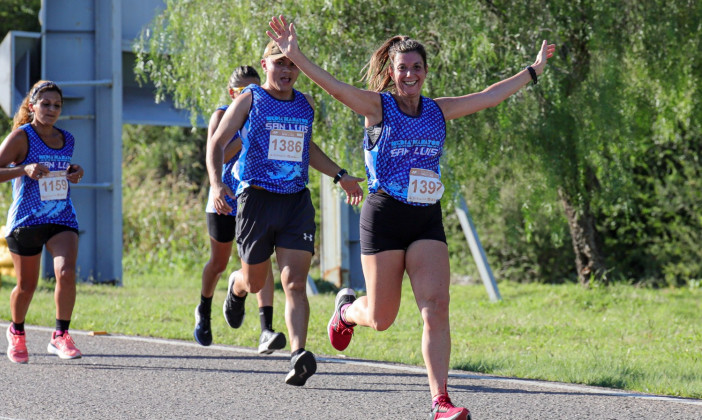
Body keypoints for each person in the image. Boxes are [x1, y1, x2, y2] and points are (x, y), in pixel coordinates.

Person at [266, 15, 555, 419]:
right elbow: (335, 87)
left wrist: (533, 71)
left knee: (436, 307)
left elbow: (489, 96)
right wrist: (297, 56)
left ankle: (440, 401)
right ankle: (346, 310)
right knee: (382, 318)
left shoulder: (437, 111)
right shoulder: (377, 106)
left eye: (417, 67)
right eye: (403, 68)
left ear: (425, 72)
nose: (410, 74)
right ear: (391, 72)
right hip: (384, 216)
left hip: (425, 220)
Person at [207, 39, 364, 386]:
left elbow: (306, 148)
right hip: (256, 202)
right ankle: (236, 285)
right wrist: (217, 185)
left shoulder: (304, 105)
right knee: (256, 281)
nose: (287, 71)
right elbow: (217, 142)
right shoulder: (250, 100)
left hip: (295, 202)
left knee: (294, 283)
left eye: (292, 64)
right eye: (280, 63)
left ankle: (298, 355)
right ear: (265, 65)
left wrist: (340, 175)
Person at [0, 80, 85, 364]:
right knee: (27, 285)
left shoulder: (67, 139)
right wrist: (23, 168)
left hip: (61, 215)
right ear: (32, 106)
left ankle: (60, 335)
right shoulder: (22, 136)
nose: (52, 109)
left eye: (57, 105)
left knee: (65, 273)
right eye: (46, 104)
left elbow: (63, 172)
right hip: (27, 220)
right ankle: (16, 331)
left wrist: (75, 172)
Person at [196, 65, 287, 355]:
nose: (249, 96)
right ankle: (205, 308)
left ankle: (266, 329)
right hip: (224, 200)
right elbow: (218, 152)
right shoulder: (223, 116)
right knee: (219, 263)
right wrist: (248, 134)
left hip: (255, 197)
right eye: (242, 92)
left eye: (254, 90)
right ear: (232, 93)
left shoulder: (266, 113)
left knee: (262, 259)